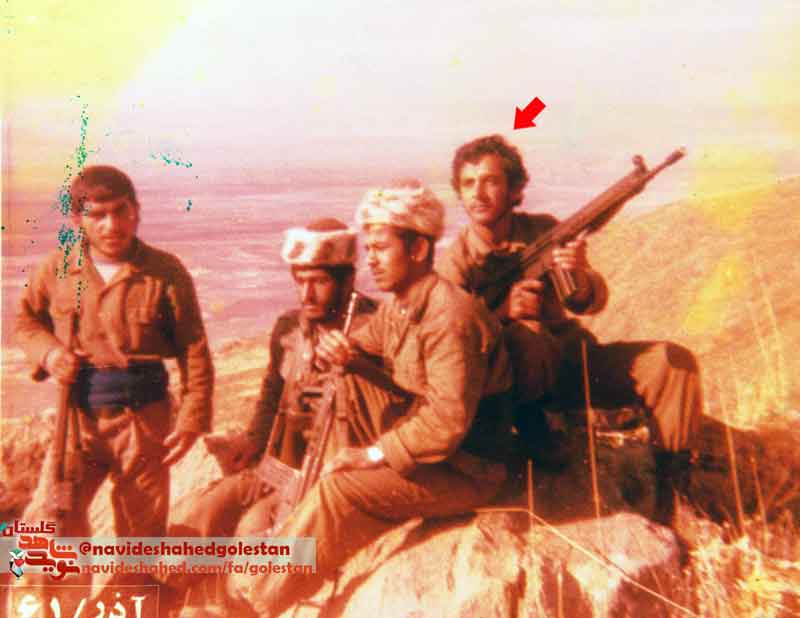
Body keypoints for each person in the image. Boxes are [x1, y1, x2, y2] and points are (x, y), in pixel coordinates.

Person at [244, 182, 514, 616]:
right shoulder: (402, 306)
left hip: (469, 469)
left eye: (382, 248)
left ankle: (257, 605)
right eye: (368, 248)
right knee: (345, 385)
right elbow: (368, 342)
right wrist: (343, 349)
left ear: (418, 249)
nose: (371, 259)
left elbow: (446, 424)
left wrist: (371, 455)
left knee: (339, 491)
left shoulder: (449, 316)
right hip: (438, 458)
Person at [438, 134, 703, 521]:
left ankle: (674, 491)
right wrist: (502, 315)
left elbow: (589, 303)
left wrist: (576, 273)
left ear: (514, 190)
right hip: (514, 386)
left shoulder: (543, 231)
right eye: (468, 183)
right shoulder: (456, 263)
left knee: (671, 363)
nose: (478, 193)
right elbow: (448, 344)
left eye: (490, 181)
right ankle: (536, 431)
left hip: (572, 363)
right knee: (527, 336)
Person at [163, 218, 409, 611]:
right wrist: (251, 441)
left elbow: (403, 401)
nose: (307, 293)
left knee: (251, 543)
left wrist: (360, 364)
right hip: (277, 466)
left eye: (319, 282)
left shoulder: (378, 330)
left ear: (346, 280)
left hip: (328, 476)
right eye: (300, 281)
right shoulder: (289, 330)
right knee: (194, 522)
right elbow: (272, 393)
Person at [13, 166, 214, 593]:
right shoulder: (57, 269)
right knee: (51, 526)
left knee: (140, 539)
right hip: (77, 425)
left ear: (136, 210)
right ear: (78, 221)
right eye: (97, 215)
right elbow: (26, 321)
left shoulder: (165, 272)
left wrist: (192, 419)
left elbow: (193, 348)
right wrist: (50, 354)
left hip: (144, 424)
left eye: (121, 211)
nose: (112, 225)